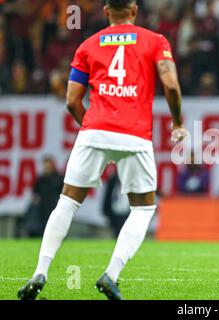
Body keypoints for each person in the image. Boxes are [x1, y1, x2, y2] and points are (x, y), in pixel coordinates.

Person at [18, 0, 188, 300]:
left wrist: (92, 129)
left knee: (67, 203)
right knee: (144, 208)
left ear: (106, 11)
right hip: (134, 136)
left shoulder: (87, 45)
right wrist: (177, 123)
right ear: (134, 10)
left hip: (93, 131)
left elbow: (72, 100)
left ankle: (39, 272)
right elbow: (171, 86)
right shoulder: (155, 41)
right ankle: (111, 274)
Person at [25, 156, 64, 237]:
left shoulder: (58, 179)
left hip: (54, 206)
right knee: (42, 227)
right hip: (42, 208)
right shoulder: (40, 179)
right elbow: (35, 193)